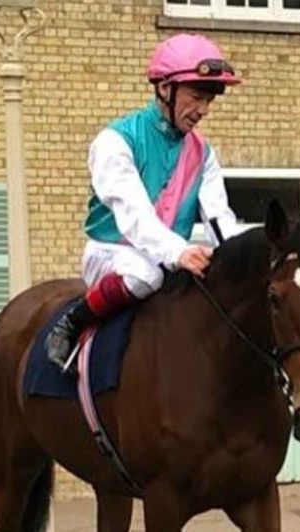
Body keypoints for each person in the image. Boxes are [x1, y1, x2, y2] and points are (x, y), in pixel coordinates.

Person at [45, 33, 242, 371]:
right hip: (113, 252)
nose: (204, 110)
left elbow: (218, 217)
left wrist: (237, 258)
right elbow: (134, 215)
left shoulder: (203, 153)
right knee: (146, 274)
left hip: (168, 253)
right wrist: (178, 252)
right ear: (165, 88)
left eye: (209, 100)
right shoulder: (115, 141)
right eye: (196, 97)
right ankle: (72, 322)